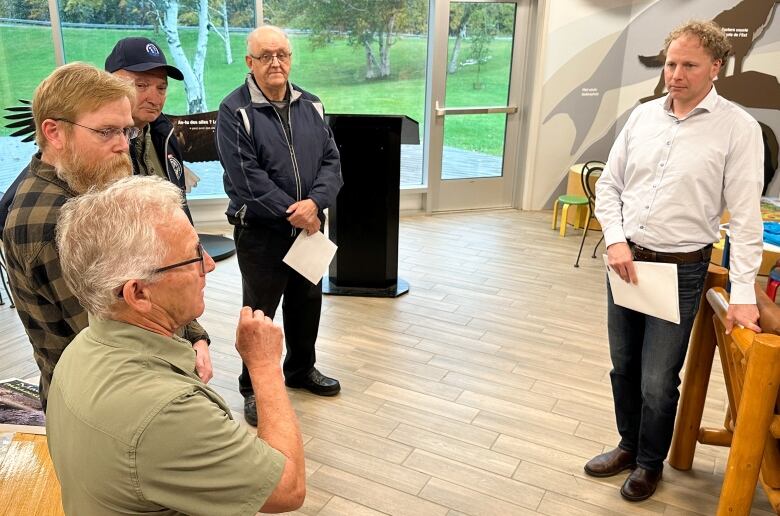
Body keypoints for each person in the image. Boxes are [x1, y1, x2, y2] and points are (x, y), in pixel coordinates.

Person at [47, 176, 305, 515]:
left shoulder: (81, 349)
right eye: (193, 256)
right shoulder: (165, 412)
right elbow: (288, 488)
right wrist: (265, 365)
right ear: (137, 293)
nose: (209, 265)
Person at [586, 20, 764, 502]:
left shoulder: (738, 128)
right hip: (625, 262)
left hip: (680, 269)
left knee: (657, 379)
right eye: (670, 63)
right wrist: (616, 240)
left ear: (715, 68)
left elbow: (747, 220)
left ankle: (649, 463)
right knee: (623, 366)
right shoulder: (643, 117)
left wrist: (745, 296)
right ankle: (627, 445)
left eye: (689, 65)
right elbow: (610, 186)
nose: (676, 74)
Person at [2, 63, 211, 412]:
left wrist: (194, 335)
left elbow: (152, 284)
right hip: (99, 405)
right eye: (106, 132)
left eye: (126, 132)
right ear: (53, 132)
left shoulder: (86, 188)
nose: (122, 147)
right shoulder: (51, 221)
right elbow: (125, 330)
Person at [216, 25, 343, 426]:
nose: (276, 62)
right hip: (261, 232)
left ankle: (301, 370)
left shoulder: (313, 104)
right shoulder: (234, 111)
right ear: (249, 62)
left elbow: (331, 163)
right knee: (260, 314)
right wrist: (296, 210)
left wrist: (316, 204)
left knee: (308, 303)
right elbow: (245, 178)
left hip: (308, 229)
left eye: (282, 54)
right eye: (266, 55)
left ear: (290, 58)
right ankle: (252, 387)